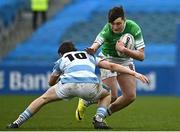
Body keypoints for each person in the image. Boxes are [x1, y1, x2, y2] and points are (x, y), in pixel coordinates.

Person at [7, 41, 149, 129]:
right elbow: (112, 65)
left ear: (61, 53)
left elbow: (51, 82)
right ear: (75, 50)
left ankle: (17, 122)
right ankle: (99, 119)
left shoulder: (62, 59)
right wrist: (134, 74)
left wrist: (60, 77)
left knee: (43, 99)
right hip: (90, 85)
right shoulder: (89, 56)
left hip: (67, 85)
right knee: (108, 94)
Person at [76, 6, 146, 121]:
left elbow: (142, 56)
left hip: (125, 61)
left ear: (124, 20)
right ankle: (95, 114)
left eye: (118, 24)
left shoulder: (134, 28)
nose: (115, 27)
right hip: (108, 60)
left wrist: (124, 50)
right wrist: (92, 49)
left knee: (130, 96)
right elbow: (97, 43)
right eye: (112, 24)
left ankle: (104, 113)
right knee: (112, 96)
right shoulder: (107, 29)